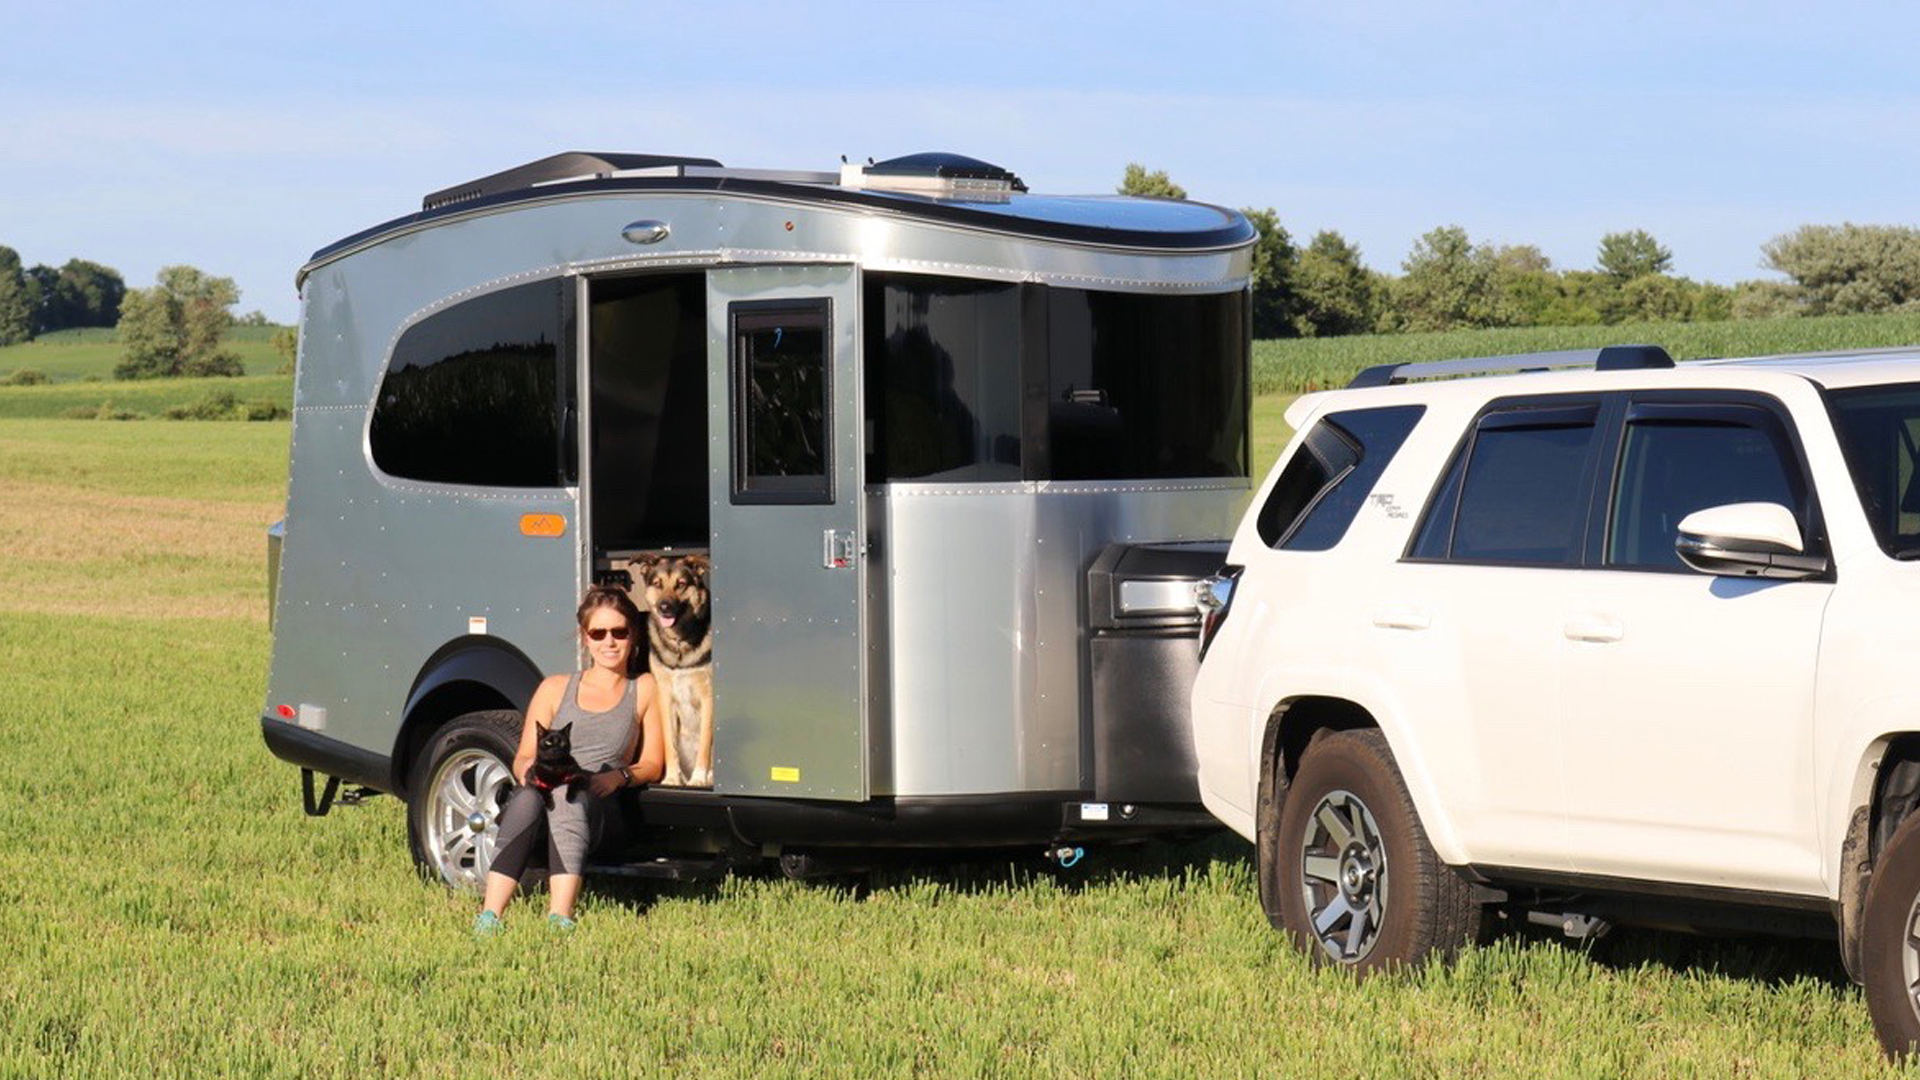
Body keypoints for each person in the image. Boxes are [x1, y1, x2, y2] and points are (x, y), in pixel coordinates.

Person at [474, 584, 664, 934]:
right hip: (547, 793)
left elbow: (653, 762)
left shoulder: (644, 687)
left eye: (619, 632)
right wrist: (528, 772)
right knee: (529, 796)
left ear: (632, 636)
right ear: (585, 638)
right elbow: (524, 757)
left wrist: (618, 777)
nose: (610, 642)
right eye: (599, 633)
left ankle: (560, 917)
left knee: (567, 795)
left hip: (601, 805)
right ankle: (490, 915)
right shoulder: (554, 688)